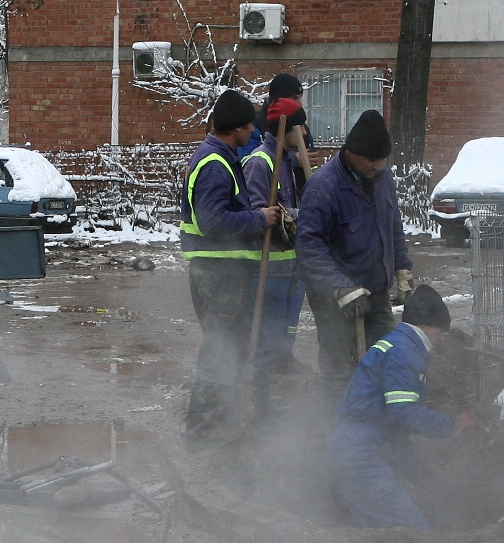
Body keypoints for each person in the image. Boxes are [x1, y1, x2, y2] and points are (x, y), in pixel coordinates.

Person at [326, 284, 474, 529]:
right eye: (441, 329)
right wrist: (451, 426)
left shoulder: (397, 344)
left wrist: (417, 472)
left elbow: (390, 431)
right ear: (425, 325)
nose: (442, 337)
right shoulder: (405, 352)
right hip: (360, 458)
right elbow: (402, 413)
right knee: (413, 534)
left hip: (350, 450)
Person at [178, 89, 280, 438]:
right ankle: (204, 428)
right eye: (248, 124)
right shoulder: (215, 164)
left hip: (218, 271)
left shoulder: (216, 157)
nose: (253, 130)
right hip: (222, 273)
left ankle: (214, 422)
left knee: (223, 349)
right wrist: (258, 219)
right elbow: (213, 222)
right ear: (234, 128)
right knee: (219, 352)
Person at [296, 109, 416, 393]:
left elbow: (393, 227)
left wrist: (401, 267)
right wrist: (341, 288)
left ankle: (379, 427)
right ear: (351, 152)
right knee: (339, 370)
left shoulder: (382, 178)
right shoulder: (323, 188)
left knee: (387, 361)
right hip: (334, 301)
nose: (379, 165)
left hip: (375, 294)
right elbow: (309, 248)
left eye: (383, 158)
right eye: (372, 159)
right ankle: (334, 426)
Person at [240, 95, 309, 396]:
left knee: (284, 336)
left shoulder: (290, 162)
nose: (306, 133)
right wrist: (295, 217)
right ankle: (257, 399)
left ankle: (276, 395)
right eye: (301, 126)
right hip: (268, 272)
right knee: (265, 341)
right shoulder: (260, 162)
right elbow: (256, 213)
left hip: (290, 270)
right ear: (286, 129)